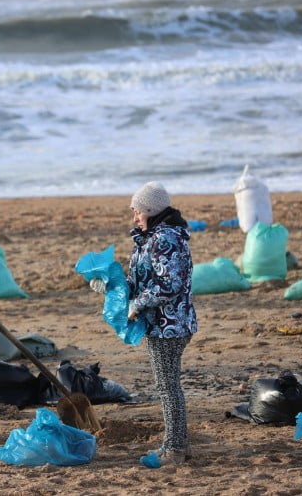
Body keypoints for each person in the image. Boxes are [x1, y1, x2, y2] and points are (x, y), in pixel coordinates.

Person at [91, 181, 198, 465]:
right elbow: (140, 282)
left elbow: (170, 285)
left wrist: (137, 305)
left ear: (151, 210)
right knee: (168, 385)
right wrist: (109, 286)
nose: (134, 216)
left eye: (137, 211)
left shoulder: (165, 239)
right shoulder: (149, 237)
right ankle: (179, 446)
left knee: (167, 387)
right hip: (161, 324)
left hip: (170, 325)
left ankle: (174, 450)